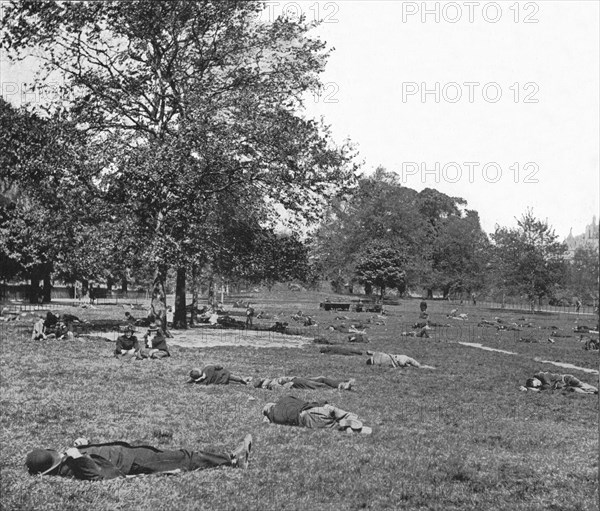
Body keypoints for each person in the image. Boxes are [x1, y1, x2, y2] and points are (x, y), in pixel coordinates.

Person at [25, 434, 253, 480]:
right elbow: (98, 475)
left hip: (130, 452)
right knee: (184, 458)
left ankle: (230, 457)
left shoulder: (67, 458)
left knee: (176, 455)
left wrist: (84, 446)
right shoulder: (71, 467)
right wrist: (79, 457)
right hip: (132, 462)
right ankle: (233, 460)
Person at [262, 396, 371, 434]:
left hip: (310, 417)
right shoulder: (286, 400)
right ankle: (350, 418)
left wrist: (268, 420)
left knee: (336, 429)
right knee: (340, 414)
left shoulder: (276, 416)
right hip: (321, 407)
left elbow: (272, 421)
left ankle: (349, 428)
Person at [522, 372, 598, 394]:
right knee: (575, 390)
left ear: (535, 379)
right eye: (536, 386)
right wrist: (527, 388)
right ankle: (591, 393)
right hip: (561, 385)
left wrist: (534, 389)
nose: (539, 385)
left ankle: (596, 390)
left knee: (582, 386)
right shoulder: (538, 381)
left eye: (537, 383)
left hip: (566, 379)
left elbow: (547, 386)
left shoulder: (542, 376)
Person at [253, 376, 355, 391]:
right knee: (318, 385)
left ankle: (340, 383)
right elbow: (283, 389)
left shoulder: (272, 381)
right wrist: (289, 383)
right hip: (296, 382)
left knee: (321, 378)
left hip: (297, 378)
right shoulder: (271, 385)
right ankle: (342, 387)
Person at [365, 351, 435, 369]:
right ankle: (430, 367)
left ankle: (407, 365)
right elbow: (370, 352)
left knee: (413, 366)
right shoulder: (378, 355)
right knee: (419, 366)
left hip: (398, 362)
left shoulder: (379, 363)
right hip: (400, 358)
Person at [186, 366, 251, 385]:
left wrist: (194, 380)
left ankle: (243, 383)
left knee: (231, 382)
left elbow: (195, 380)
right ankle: (242, 380)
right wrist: (221, 367)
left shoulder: (203, 381)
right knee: (234, 377)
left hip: (221, 381)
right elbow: (218, 366)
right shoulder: (208, 368)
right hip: (223, 374)